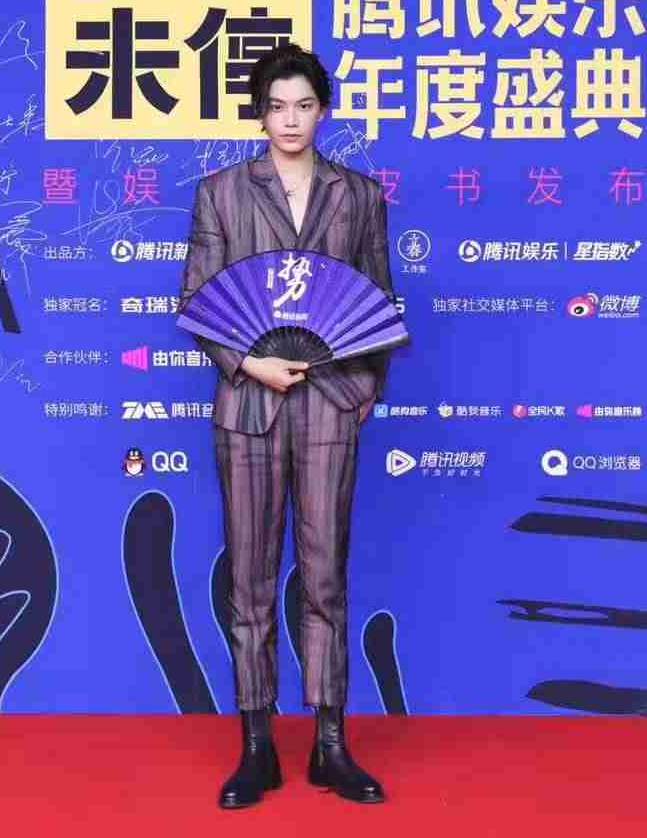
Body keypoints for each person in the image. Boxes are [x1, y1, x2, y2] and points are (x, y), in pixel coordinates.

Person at [179, 43, 396, 809]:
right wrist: (249, 363)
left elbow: (378, 299)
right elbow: (198, 302)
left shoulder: (358, 195)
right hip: (249, 405)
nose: (291, 120)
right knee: (250, 578)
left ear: (322, 111)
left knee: (325, 574)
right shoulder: (222, 193)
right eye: (278, 107)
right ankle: (256, 745)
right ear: (260, 114)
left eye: (304, 106)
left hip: (331, 400)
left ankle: (331, 744)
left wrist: (363, 389)